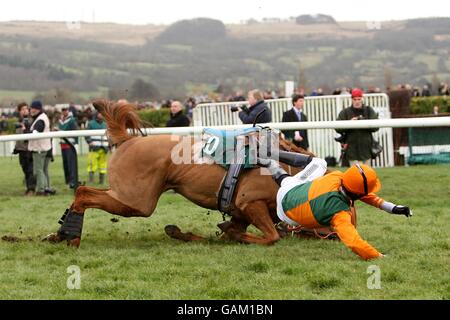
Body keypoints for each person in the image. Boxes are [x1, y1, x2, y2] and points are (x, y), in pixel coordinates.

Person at [258, 155, 412, 260]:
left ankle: (272, 161)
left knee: (319, 163)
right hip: (286, 214)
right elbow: (354, 242)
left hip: (291, 189)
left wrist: (391, 208)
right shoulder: (340, 215)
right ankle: (273, 164)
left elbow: (358, 192)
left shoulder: (338, 175)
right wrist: (379, 256)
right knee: (291, 182)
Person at [336, 88, 379, 166]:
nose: (357, 102)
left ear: (362, 99)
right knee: (357, 176)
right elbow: (337, 128)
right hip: (352, 151)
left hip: (366, 150)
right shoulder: (345, 112)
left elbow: (376, 127)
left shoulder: (369, 110)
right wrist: (349, 123)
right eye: (355, 99)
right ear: (352, 100)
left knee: (367, 175)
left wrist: (364, 122)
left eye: (359, 99)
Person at [28, 100, 54, 196]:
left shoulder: (40, 119)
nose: (31, 110)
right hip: (45, 148)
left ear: (37, 109)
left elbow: (36, 132)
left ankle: (40, 190)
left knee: (38, 170)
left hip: (39, 148)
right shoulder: (42, 117)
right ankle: (47, 188)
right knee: (44, 170)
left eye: (33, 108)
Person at [13, 102, 36, 196]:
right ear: (19, 111)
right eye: (22, 109)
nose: (24, 111)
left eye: (26, 109)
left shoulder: (32, 121)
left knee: (30, 170)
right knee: (25, 170)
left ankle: (31, 189)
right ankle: (28, 188)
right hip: (21, 149)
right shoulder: (18, 122)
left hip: (29, 149)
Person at [56, 106, 79, 188]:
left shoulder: (72, 120)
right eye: (62, 110)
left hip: (70, 145)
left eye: (65, 110)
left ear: (68, 111)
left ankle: (73, 181)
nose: (64, 111)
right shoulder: (60, 120)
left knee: (71, 164)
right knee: (65, 164)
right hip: (63, 145)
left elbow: (75, 132)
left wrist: (76, 144)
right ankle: (68, 180)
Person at [85, 111, 109, 184]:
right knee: (92, 165)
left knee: (103, 166)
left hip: (104, 148)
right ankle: (91, 181)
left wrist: (109, 144)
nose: (102, 115)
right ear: (96, 115)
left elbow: (109, 135)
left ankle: (101, 181)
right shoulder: (91, 123)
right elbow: (86, 134)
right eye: (100, 113)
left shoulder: (105, 124)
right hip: (94, 148)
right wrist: (89, 142)